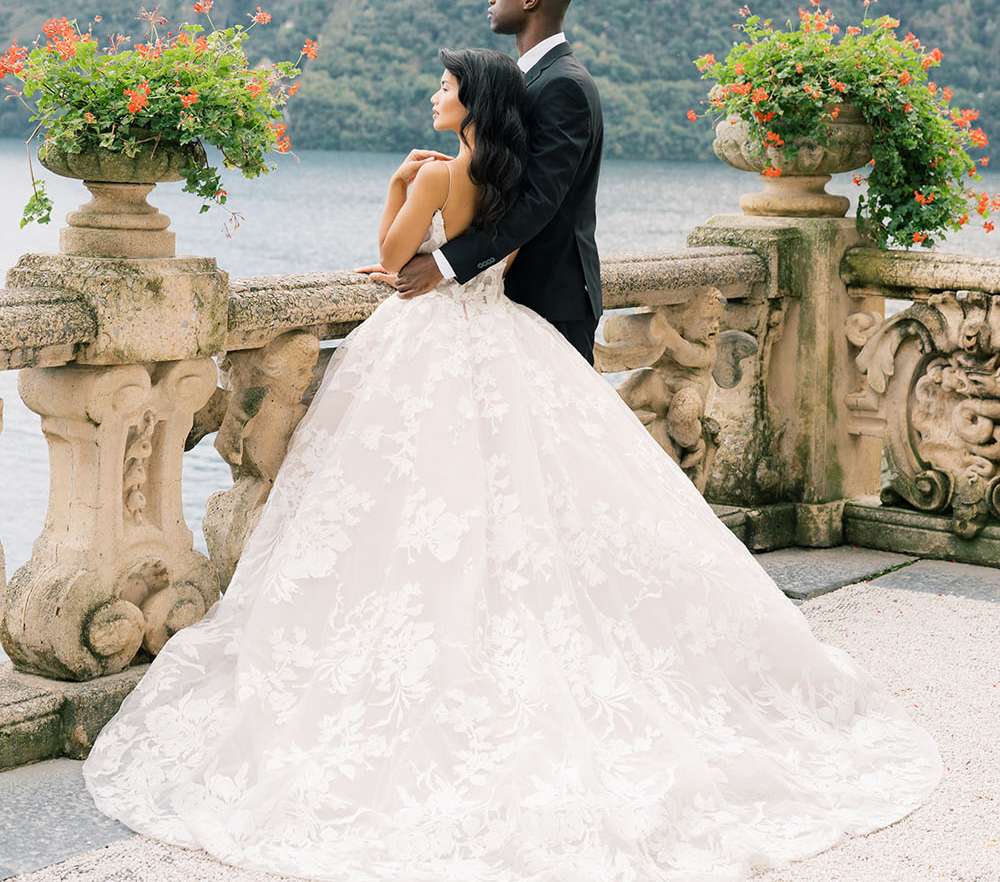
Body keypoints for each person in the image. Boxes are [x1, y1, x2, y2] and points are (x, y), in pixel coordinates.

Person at [83, 46, 940, 882]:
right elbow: (494, 260)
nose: (434, 95)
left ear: (472, 103)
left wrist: (395, 189)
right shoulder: (503, 184)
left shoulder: (431, 176)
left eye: (445, 86)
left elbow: (390, 263)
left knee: (408, 512)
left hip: (421, 346)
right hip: (500, 338)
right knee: (511, 510)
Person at [393, 0, 603, 364]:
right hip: (504, 294)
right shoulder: (528, 79)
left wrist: (443, 263)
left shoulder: (564, 85)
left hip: (551, 295)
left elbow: (540, 200)